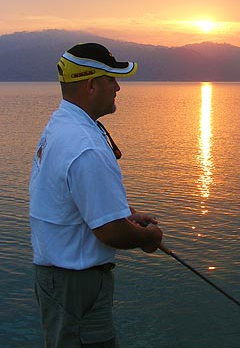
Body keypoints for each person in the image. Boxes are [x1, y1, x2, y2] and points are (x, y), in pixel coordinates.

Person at [29, 43, 163, 348]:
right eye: (111, 79)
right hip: (76, 287)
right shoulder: (85, 144)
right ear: (91, 85)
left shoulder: (61, 125)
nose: (118, 88)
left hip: (57, 281)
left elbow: (68, 194)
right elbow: (109, 231)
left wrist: (123, 213)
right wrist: (148, 238)